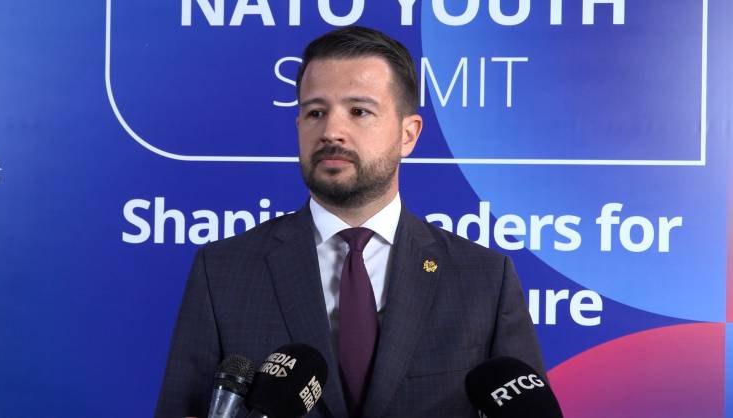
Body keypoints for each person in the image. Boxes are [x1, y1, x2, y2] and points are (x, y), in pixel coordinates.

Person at [155, 26, 544, 418]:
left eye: (359, 111)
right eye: (315, 113)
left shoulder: (485, 280)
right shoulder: (222, 272)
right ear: (298, 126)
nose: (331, 132)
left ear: (408, 135)